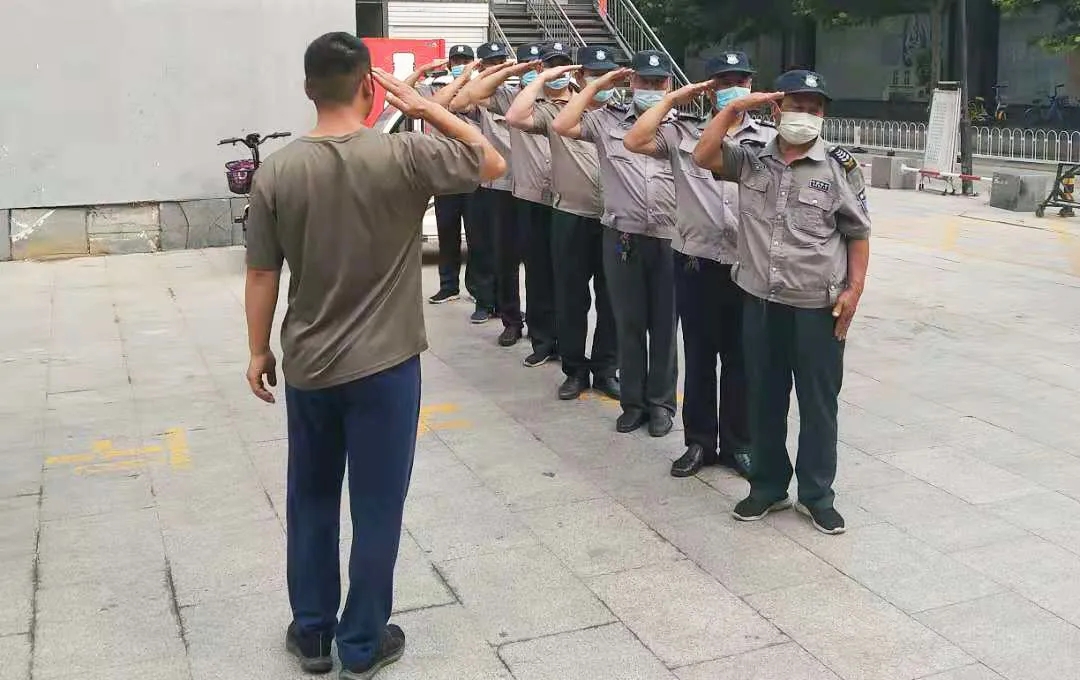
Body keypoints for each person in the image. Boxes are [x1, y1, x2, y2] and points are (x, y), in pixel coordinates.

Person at [243, 32, 505, 677]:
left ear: (308, 89)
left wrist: (257, 353)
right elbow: (489, 162)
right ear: (370, 87)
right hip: (386, 366)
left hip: (307, 363)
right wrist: (424, 106)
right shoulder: (406, 154)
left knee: (310, 496)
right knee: (378, 505)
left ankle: (312, 635)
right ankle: (361, 643)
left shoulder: (277, 168)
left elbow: (261, 276)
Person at [692, 69, 871, 535]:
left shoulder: (838, 167)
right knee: (764, 399)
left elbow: (858, 233)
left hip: (818, 306)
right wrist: (733, 108)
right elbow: (703, 154)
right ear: (777, 108)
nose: (805, 117)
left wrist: (854, 291)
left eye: (814, 110)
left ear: (823, 116)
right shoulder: (752, 160)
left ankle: (817, 495)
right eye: (797, 106)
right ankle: (768, 487)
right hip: (760, 302)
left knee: (817, 404)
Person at [623, 51, 775, 478]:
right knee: (702, 356)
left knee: (742, 358)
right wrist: (671, 101)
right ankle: (699, 443)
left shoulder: (768, 137)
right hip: (697, 263)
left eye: (740, 80)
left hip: (747, 266)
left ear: (751, 84)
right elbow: (634, 142)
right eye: (723, 81)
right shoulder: (681, 133)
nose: (733, 87)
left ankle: (738, 444)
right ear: (708, 88)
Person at [551, 50, 679, 437]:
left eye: (659, 84)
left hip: (670, 238)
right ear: (631, 83)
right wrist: (598, 85)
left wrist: (671, 105)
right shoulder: (606, 121)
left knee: (664, 328)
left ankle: (660, 404)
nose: (652, 90)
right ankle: (634, 403)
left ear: (669, 86)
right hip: (621, 236)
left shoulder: (685, 127)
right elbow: (561, 123)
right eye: (645, 82)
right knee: (629, 323)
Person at [504, 44, 620, 401]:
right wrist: (544, 77)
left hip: (613, 220)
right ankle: (574, 369)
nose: (600, 83)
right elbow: (515, 116)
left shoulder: (624, 115)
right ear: (579, 78)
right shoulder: (558, 114)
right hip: (570, 216)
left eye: (606, 76)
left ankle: (605, 369)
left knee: (611, 299)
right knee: (571, 298)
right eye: (592, 76)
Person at [452, 45, 559, 367]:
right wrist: (510, 71)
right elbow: (463, 99)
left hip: (546, 191)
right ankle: (512, 320)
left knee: (545, 266)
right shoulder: (506, 95)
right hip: (503, 186)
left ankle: (551, 330)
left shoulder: (564, 98)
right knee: (506, 258)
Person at [425, 44, 497, 323]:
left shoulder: (481, 90)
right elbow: (433, 107)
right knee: (447, 232)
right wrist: (460, 77)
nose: (461, 64)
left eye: (466, 60)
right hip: (447, 174)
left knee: (478, 238)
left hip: (475, 173)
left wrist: (469, 79)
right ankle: (448, 286)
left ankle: (479, 291)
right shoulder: (439, 86)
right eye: (457, 60)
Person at [469, 42, 519, 343]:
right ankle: (500, 311)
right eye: (491, 62)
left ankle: (537, 323)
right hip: (496, 184)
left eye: (502, 61)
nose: (498, 66)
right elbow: (467, 97)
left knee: (533, 261)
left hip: (531, 187)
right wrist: (492, 73)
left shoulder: (526, 95)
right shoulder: (491, 97)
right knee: (497, 253)